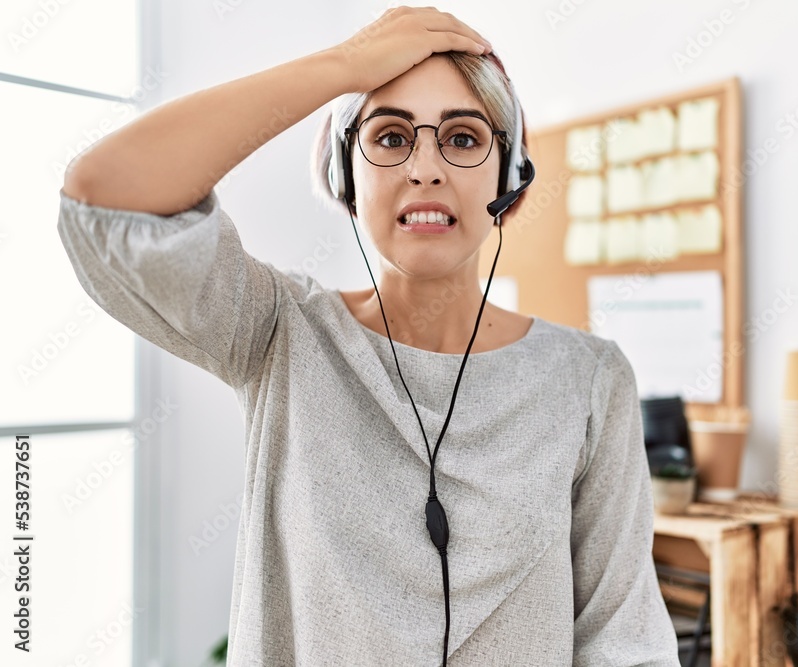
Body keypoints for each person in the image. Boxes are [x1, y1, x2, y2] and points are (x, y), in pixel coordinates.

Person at [57, 6, 681, 666]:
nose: (426, 169)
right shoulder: (277, 331)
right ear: (341, 174)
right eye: (389, 138)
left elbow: (623, 640)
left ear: (511, 180)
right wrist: (345, 67)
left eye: (464, 139)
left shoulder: (588, 380)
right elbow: (102, 198)